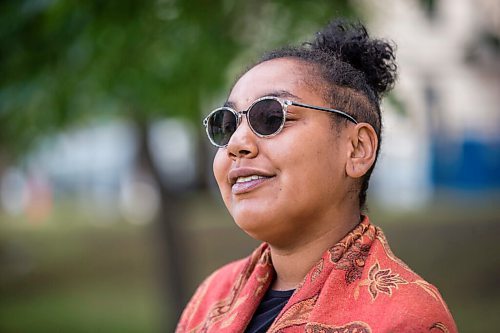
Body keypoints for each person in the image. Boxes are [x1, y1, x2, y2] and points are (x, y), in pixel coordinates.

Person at [176, 19, 458, 333]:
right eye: (227, 125)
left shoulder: (406, 317)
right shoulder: (212, 297)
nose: (238, 143)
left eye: (271, 117)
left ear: (356, 149)